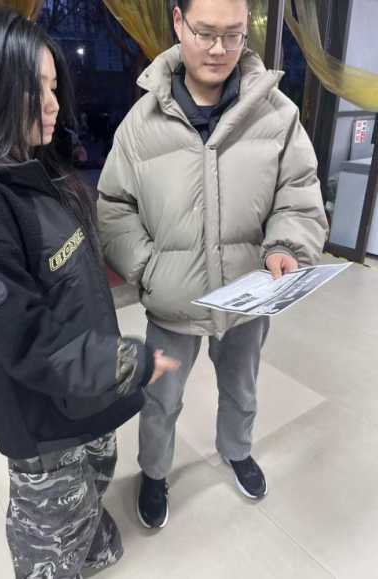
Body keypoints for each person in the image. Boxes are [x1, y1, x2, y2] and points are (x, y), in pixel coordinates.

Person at [0, 7, 179, 578]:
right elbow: (24, 338)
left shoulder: (37, 171)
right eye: (36, 89)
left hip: (84, 393)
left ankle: (88, 544)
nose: (52, 104)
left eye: (54, 87)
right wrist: (125, 362)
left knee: (92, 489)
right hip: (44, 418)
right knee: (51, 535)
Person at [98, 0, 328, 530]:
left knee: (242, 389)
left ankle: (236, 450)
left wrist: (287, 248)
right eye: (205, 33)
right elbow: (113, 206)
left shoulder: (277, 115)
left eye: (234, 34)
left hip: (248, 297)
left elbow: (298, 193)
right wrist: (147, 268)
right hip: (171, 302)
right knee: (160, 398)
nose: (220, 49)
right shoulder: (140, 124)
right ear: (178, 23)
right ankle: (154, 472)